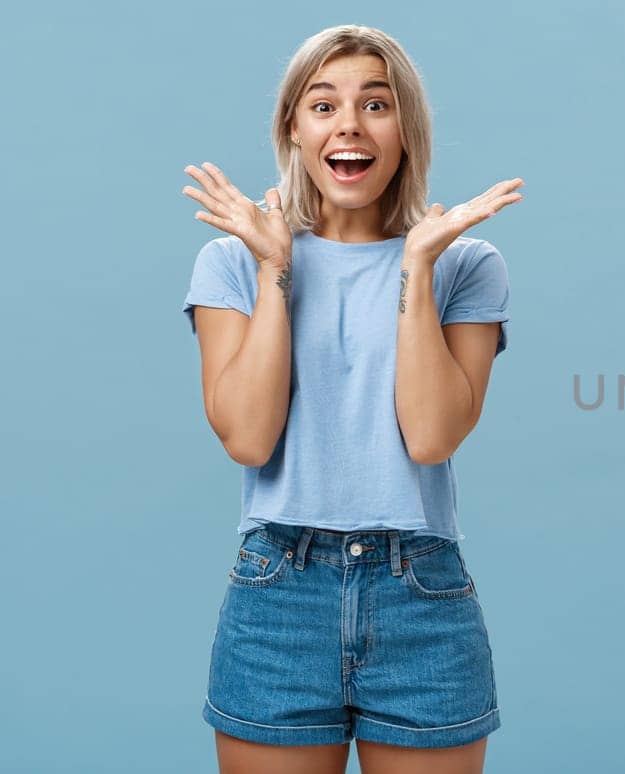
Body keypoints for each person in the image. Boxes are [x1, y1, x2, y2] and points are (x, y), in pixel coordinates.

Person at [179, 24, 522, 774]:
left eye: (376, 103)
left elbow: (430, 437)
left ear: (406, 129)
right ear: (294, 130)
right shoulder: (231, 259)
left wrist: (418, 268)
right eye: (324, 105)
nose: (350, 125)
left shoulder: (466, 263)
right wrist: (276, 268)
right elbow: (247, 438)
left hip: (420, 597)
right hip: (278, 594)